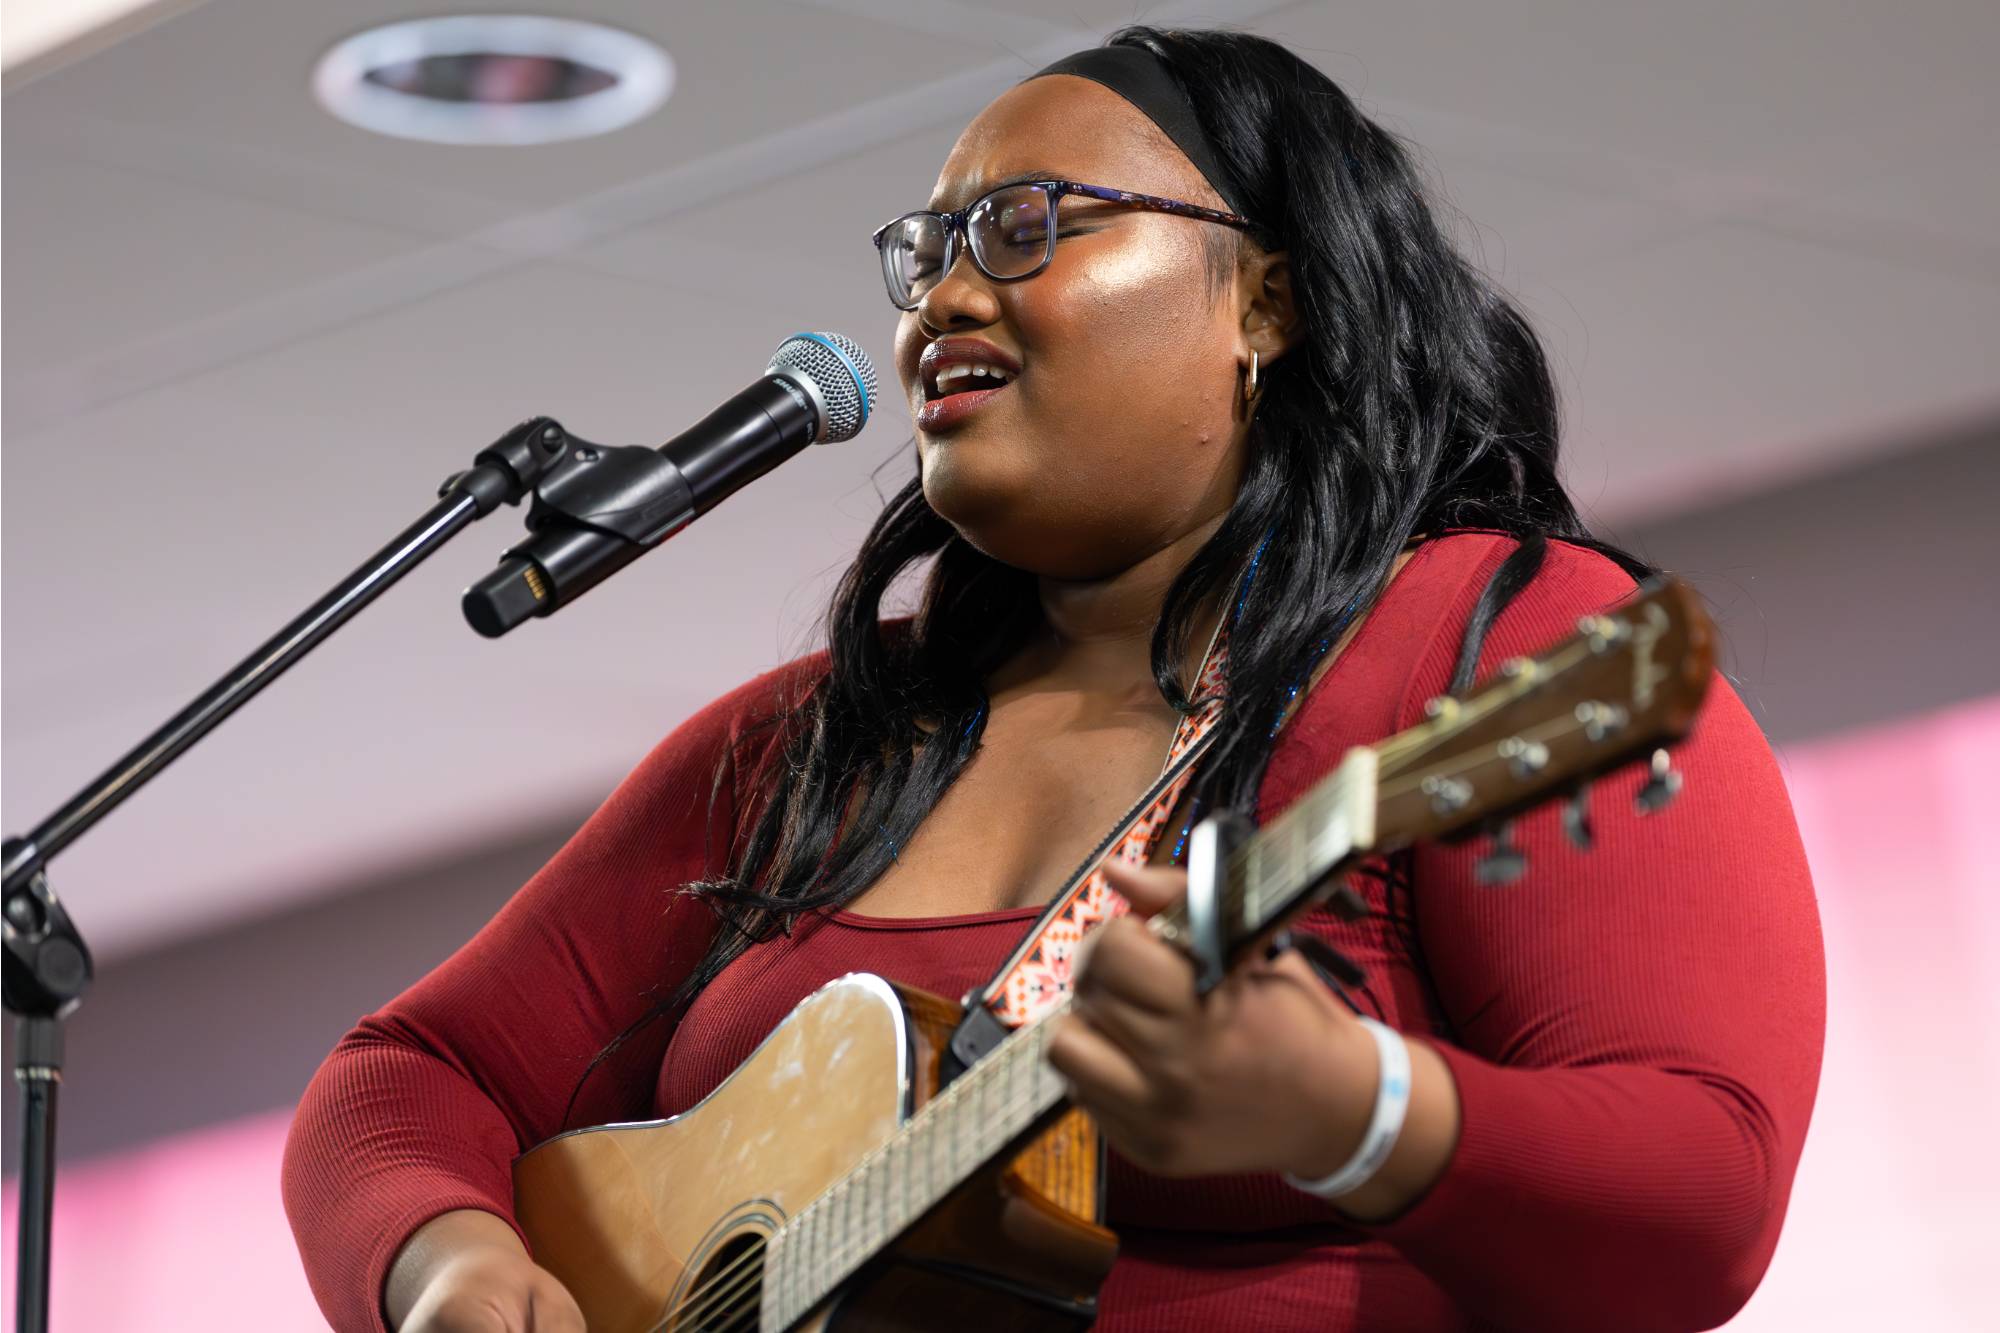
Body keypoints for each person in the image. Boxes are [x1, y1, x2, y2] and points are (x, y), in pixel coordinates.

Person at [283, 27, 1824, 1333]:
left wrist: (1358, 1107)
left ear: (1265, 302)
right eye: (930, 251)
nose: (942, 299)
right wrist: (450, 1257)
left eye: (1024, 226)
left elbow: (1708, 1191)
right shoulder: (813, 746)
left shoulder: (1499, 642)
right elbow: (408, 1076)